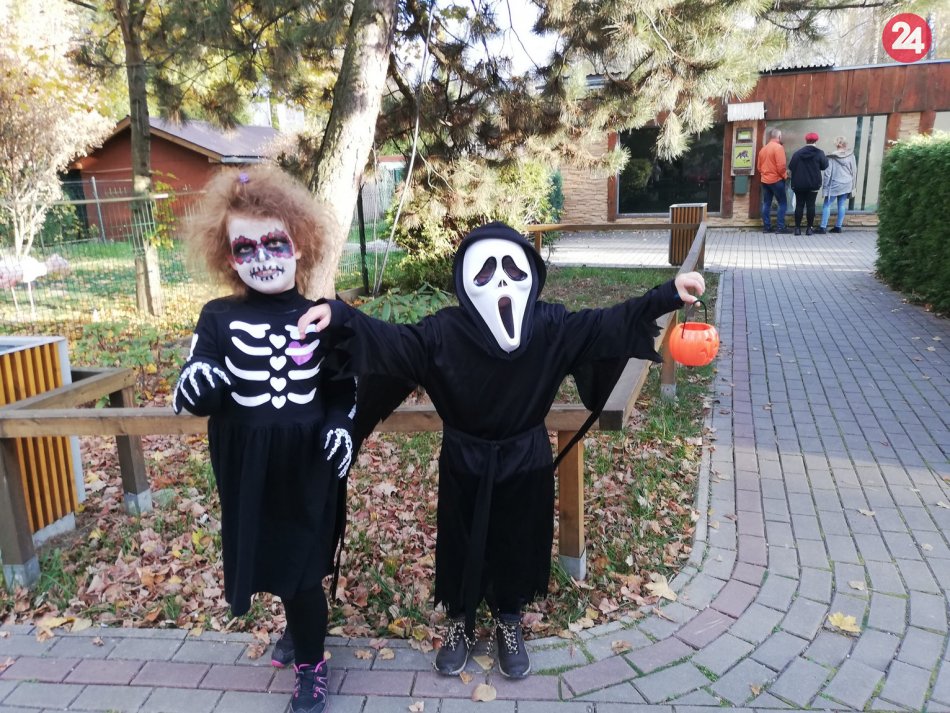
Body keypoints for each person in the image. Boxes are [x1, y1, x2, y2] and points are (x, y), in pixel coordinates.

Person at [296, 222, 706, 679]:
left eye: (512, 269)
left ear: (531, 273)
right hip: (465, 459)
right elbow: (390, 341)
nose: (502, 282)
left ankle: (508, 619)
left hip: (524, 458)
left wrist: (667, 295)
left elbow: (609, 323)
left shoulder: (551, 326)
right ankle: (461, 619)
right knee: (461, 538)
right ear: (465, 281)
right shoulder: (442, 333)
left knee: (517, 539)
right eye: (486, 271)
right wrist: (341, 316)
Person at [172, 165, 355, 713]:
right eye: (245, 248)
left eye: (275, 243)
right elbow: (199, 377)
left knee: (303, 570)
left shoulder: (321, 316)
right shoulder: (218, 318)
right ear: (229, 258)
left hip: (307, 465)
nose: (262, 258)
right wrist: (196, 383)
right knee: (269, 557)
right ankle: (298, 631)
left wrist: (341, 424)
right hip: (248, 468)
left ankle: (311, 663)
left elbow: (342, 388)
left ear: (299, 245)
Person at [788, 132, 829, 235]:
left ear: (806, 140)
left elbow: (791, 167)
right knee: (811, 205)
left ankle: (797, 229)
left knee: (799, 205)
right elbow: (824, 166)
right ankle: (809, 229)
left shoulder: (797, 153)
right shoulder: (820, 153)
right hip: (814, 184)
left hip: (799, 183)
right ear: (816, 141)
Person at [817, 136, 857, 234]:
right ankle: (838, 227)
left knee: (827, 205)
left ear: (837, 144)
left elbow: (827, 173)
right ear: (845, 144)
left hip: (835, 184)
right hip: (847, 183)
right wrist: (853, 184)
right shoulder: (851, 155)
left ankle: (823, 227)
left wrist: (825, 187)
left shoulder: (831, 157)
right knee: (841, 204)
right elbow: (854, 171)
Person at [756, 128, 789, 234]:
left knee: (766, 203)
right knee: (782, 203)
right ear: (779, 136)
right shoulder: (778, 148)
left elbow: (759, 167)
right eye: (781, 136)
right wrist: (785, 176)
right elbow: (781, 167)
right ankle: (780, 227)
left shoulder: (763, 149)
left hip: (765, 181)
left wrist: (766, 174)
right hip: (776, 180)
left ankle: (767, 227)